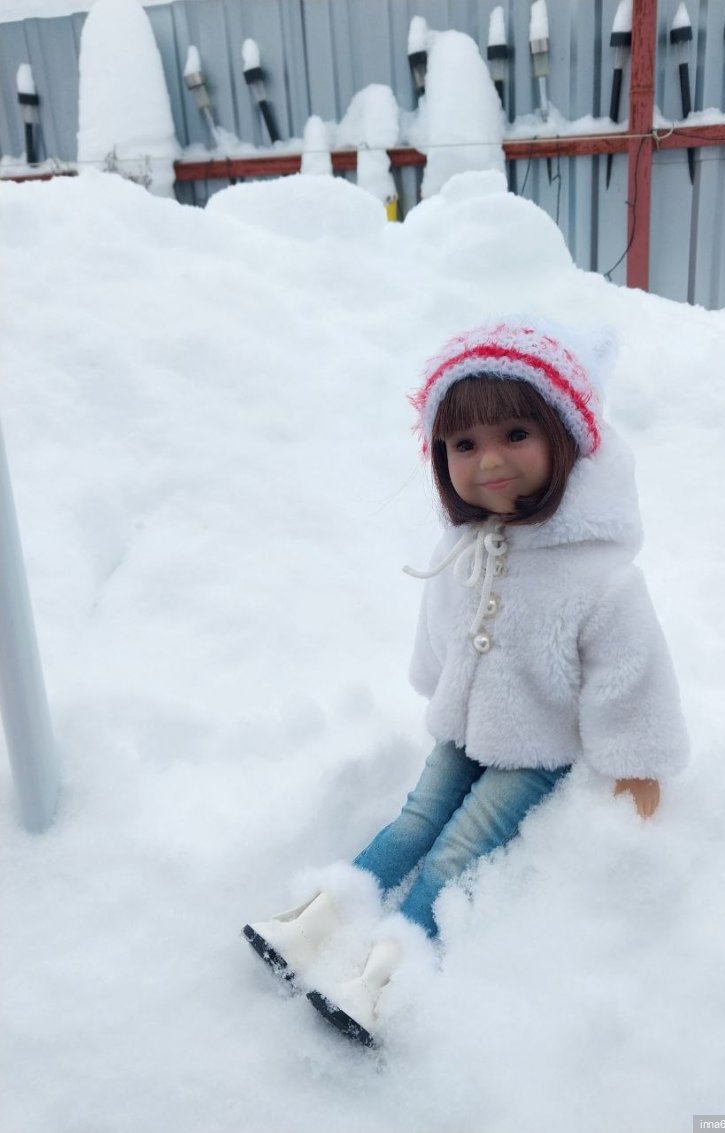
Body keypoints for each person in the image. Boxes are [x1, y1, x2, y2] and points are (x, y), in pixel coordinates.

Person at [243, 317, 689, 1046]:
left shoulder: (599, 576)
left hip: (534, 751)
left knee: (457, 849)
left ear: (565, 438)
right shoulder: (462, 546)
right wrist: (438, 685)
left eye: (516, 433)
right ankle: (315, 922)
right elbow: (442, 633)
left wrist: (636, 763)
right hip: (463, 730)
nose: (490, 461)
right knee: (413, 821)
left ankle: (382, 980)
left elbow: (630, 672)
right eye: (464, 444)